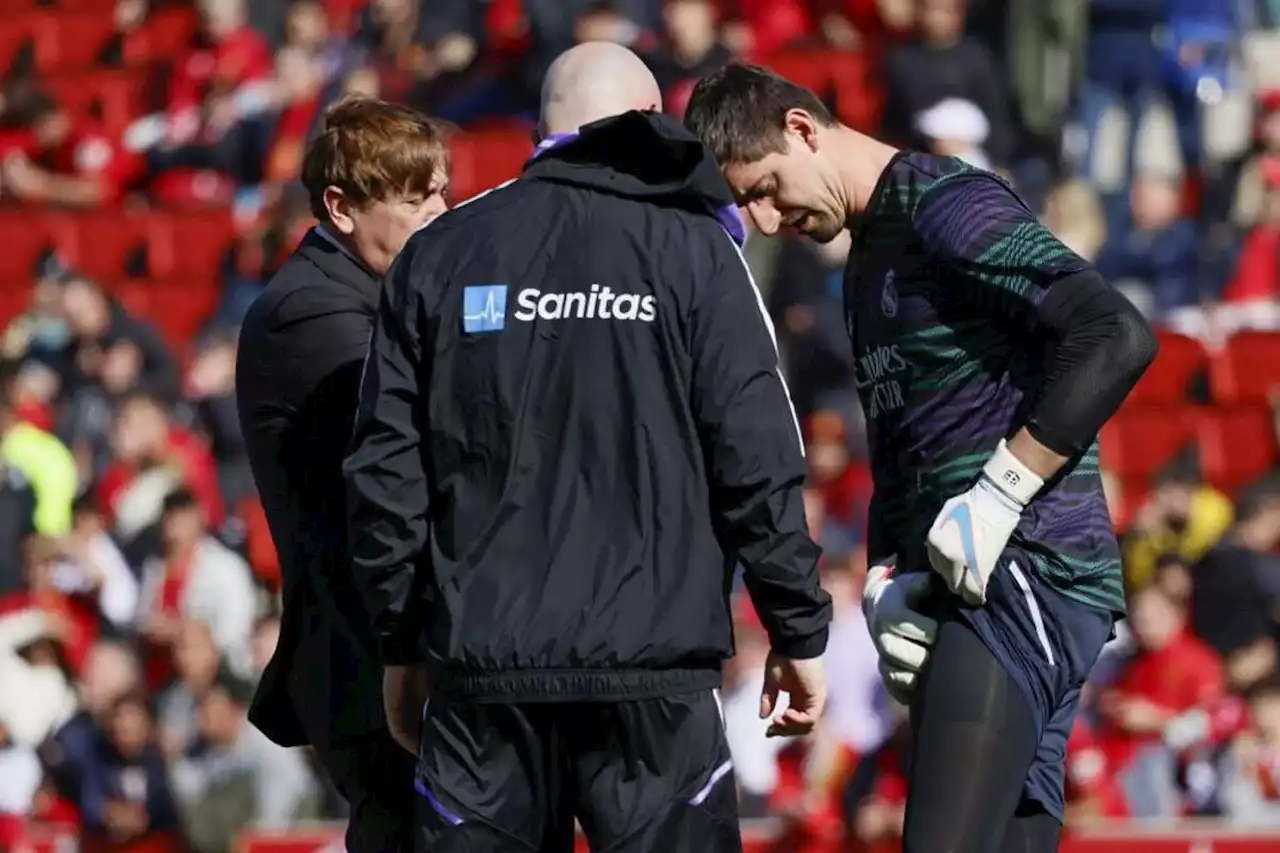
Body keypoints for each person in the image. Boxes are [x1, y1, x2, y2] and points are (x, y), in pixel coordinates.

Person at [344, 42, 831, 853]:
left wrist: (402, 644)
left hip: (483, 679)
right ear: (648, 123)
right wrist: (798, 629)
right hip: (655, 683)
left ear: (547, 130)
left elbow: (385, 477)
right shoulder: (698, 249)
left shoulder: (440, 252)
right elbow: (755, 454)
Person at [684, 63, 1158, 853]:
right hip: (970, 582)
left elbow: (1115, 335)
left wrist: (1003, 491)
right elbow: (904, 438)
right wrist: (884, 574)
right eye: (746, 205)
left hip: (1025, 570)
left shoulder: (945, 202)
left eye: (765, 187)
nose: (766, 221)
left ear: (802, 128)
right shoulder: (869, 251)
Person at [235, 97, 449, 853]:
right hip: (366, 664)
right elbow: (414, 436)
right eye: (417, 196)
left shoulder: (368, 293)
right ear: (342, 207)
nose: (439, 211)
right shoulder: (309, 311)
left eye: (443, 191)